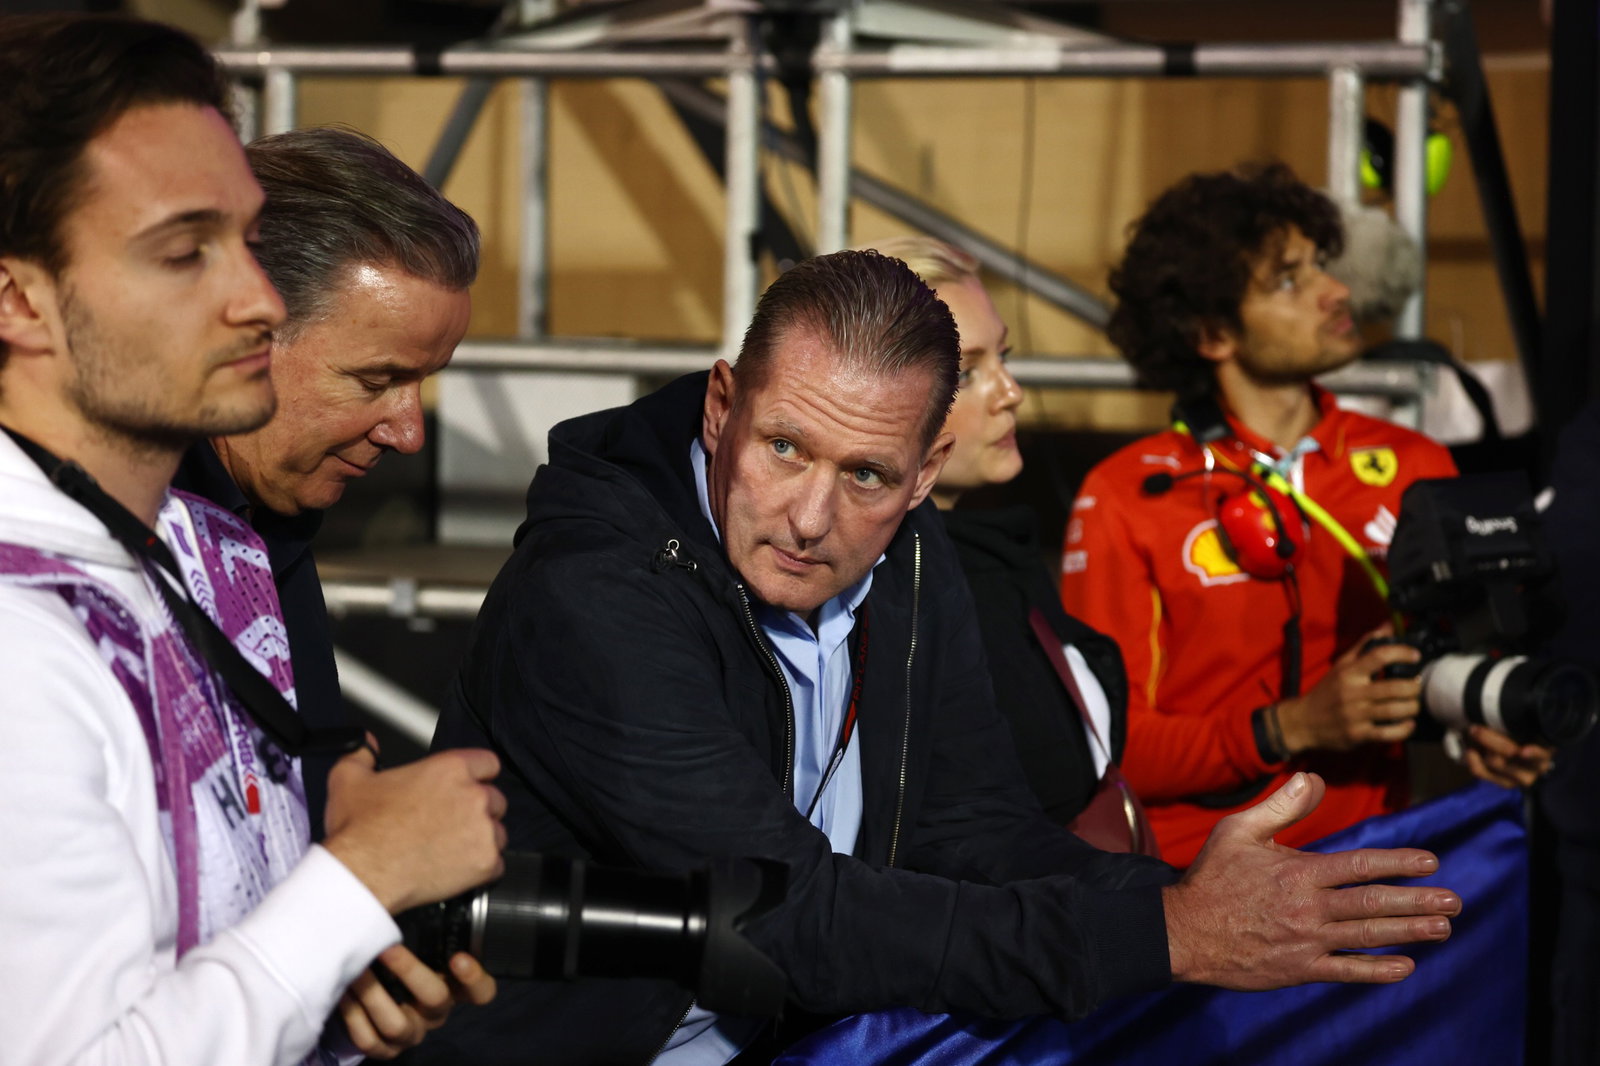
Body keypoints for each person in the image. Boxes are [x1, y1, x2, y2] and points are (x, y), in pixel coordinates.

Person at [418, 248, 1461, 1066]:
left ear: (924, 478)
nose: (810, 515)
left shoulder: (915, 555)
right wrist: (1166, 933)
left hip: (796, 1039)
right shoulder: (594, 591)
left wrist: (1181, 899)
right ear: (720, 404)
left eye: (867, 474)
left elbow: (974, 834)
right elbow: (784, 912)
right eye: (784, 446)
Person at [0, 16, 504, 1064]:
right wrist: (357, 883)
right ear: (18, 298)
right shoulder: (20, 638)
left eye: (245, 236)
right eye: (186, 251)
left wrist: (337, 951)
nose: (258, 298)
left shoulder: (180, 553)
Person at [1059, 162, 1550, 867]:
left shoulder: (1414, 462)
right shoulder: (1124, 495)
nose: (1336, 291)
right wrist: (1289, 727)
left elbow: (1453, 656)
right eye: (1290, 280)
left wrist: (1480, 726)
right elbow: (1108, 745)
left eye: (1323, 264)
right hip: (1192, 897)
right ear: (1211, 334)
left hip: (1369, 874)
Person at [174, 125, 477, 833]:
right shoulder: (112, 536)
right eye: (378, 379)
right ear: (246, 331)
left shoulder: (270, 517)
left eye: (422, 383)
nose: (409, 432)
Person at [860, 236, 1151, 851]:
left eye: (1004, 359)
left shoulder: (990, 558)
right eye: (969, 372)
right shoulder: (863, 590)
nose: (1010, 391)